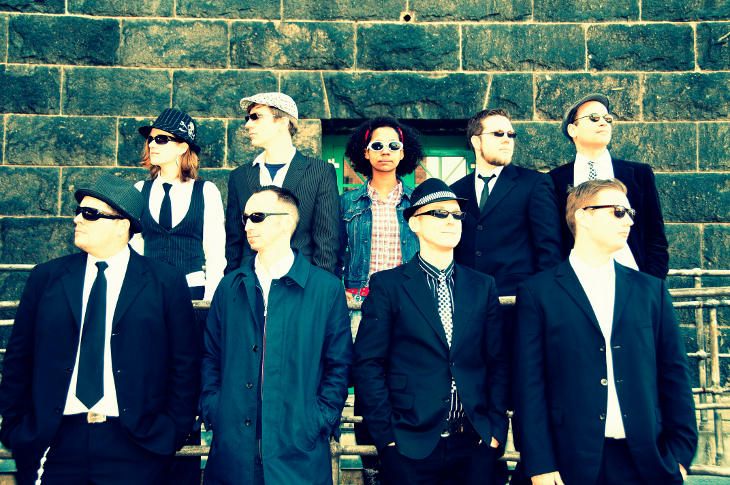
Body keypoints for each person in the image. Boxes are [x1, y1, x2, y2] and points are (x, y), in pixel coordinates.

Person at [0, 175, 201, 485]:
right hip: (56, 442)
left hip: (137, 445)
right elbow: (19, 358)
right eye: (79, 211)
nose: (78, 219)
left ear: (123, 226)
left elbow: (184, 365)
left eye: (90, 213)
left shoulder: (165, 282)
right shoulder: (46, 277)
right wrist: (16, 428)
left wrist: (170, 431)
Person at [513, 179, 697, 485]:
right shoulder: (538, 292)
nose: (629, 221)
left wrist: (679, 456)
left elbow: (675, 374)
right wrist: (540, 464)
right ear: (583, 216)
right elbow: (528, 384)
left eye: (630, 213)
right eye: (617, 212)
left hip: (646, 464)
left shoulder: (651, 291)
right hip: (568, 463)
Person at [353, 178, 508, 485]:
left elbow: (497, 362)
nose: (451, 220)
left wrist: (495, 432)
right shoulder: (388, 285)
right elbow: (369, 364)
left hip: (474, 443)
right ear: (414, 223)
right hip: (409, 446)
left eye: (456, 214)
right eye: (439, 213)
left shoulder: (482, 286)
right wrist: (387, 440)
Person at [201, 186, 353, 485]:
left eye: (257, 217)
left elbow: (339, 363)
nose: (247, 225)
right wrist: (214, 409)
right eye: (245, 218)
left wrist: (319, 418)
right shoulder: (229, 287)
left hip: (299, 453)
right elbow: (211, 355)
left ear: (286, 222)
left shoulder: (326, 288)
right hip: (233, 452)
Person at [340, 116, 422, 484]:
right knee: (367, 385)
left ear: (404, 152)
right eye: (377, 145)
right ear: (365, 152)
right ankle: (372, 468)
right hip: (361, 307)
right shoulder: (347, 202)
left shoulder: (418, 201)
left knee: (407, 379)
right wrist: (341, 288)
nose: (385, 151)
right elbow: (333, 252)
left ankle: (406, 463)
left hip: (408, 305)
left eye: (393, 145)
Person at [549, 93, 669, 279]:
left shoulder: (639, 174)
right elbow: (551, 240)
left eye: (608, 118)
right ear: (573, 130)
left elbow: (655, 236)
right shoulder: (554, 180)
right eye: (594, 118)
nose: (603, 123)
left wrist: (651, 283)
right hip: (577, 282)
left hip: (632, 278)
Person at [451, 108, 562, 298]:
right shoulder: (455, 190)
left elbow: (549, 250)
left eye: (511, 134)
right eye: (498, 133)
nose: (507, 139)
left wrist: (540, 299)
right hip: (468, 299)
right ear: (476, 141)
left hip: (518, 300)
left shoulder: (535, 184)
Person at [225, 92, 339, 274]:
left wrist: (320, 286)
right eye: (248, 118)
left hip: (301, 280)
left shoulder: (320, 172)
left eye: (256, 117)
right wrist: (232, 283)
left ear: (283, 122)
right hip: (250, 280)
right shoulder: (239, 176)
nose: (247, 125)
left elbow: (327, 239)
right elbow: (234, 242)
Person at [132, 107, 226, 302]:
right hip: (148, 291)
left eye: (161, 139)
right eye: (150, 139)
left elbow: (215, 253)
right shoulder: (140, 190)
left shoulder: (206, 191)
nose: (152, 144)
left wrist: (209, 302)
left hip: (191, 291)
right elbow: (134, 248)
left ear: (183, 147)